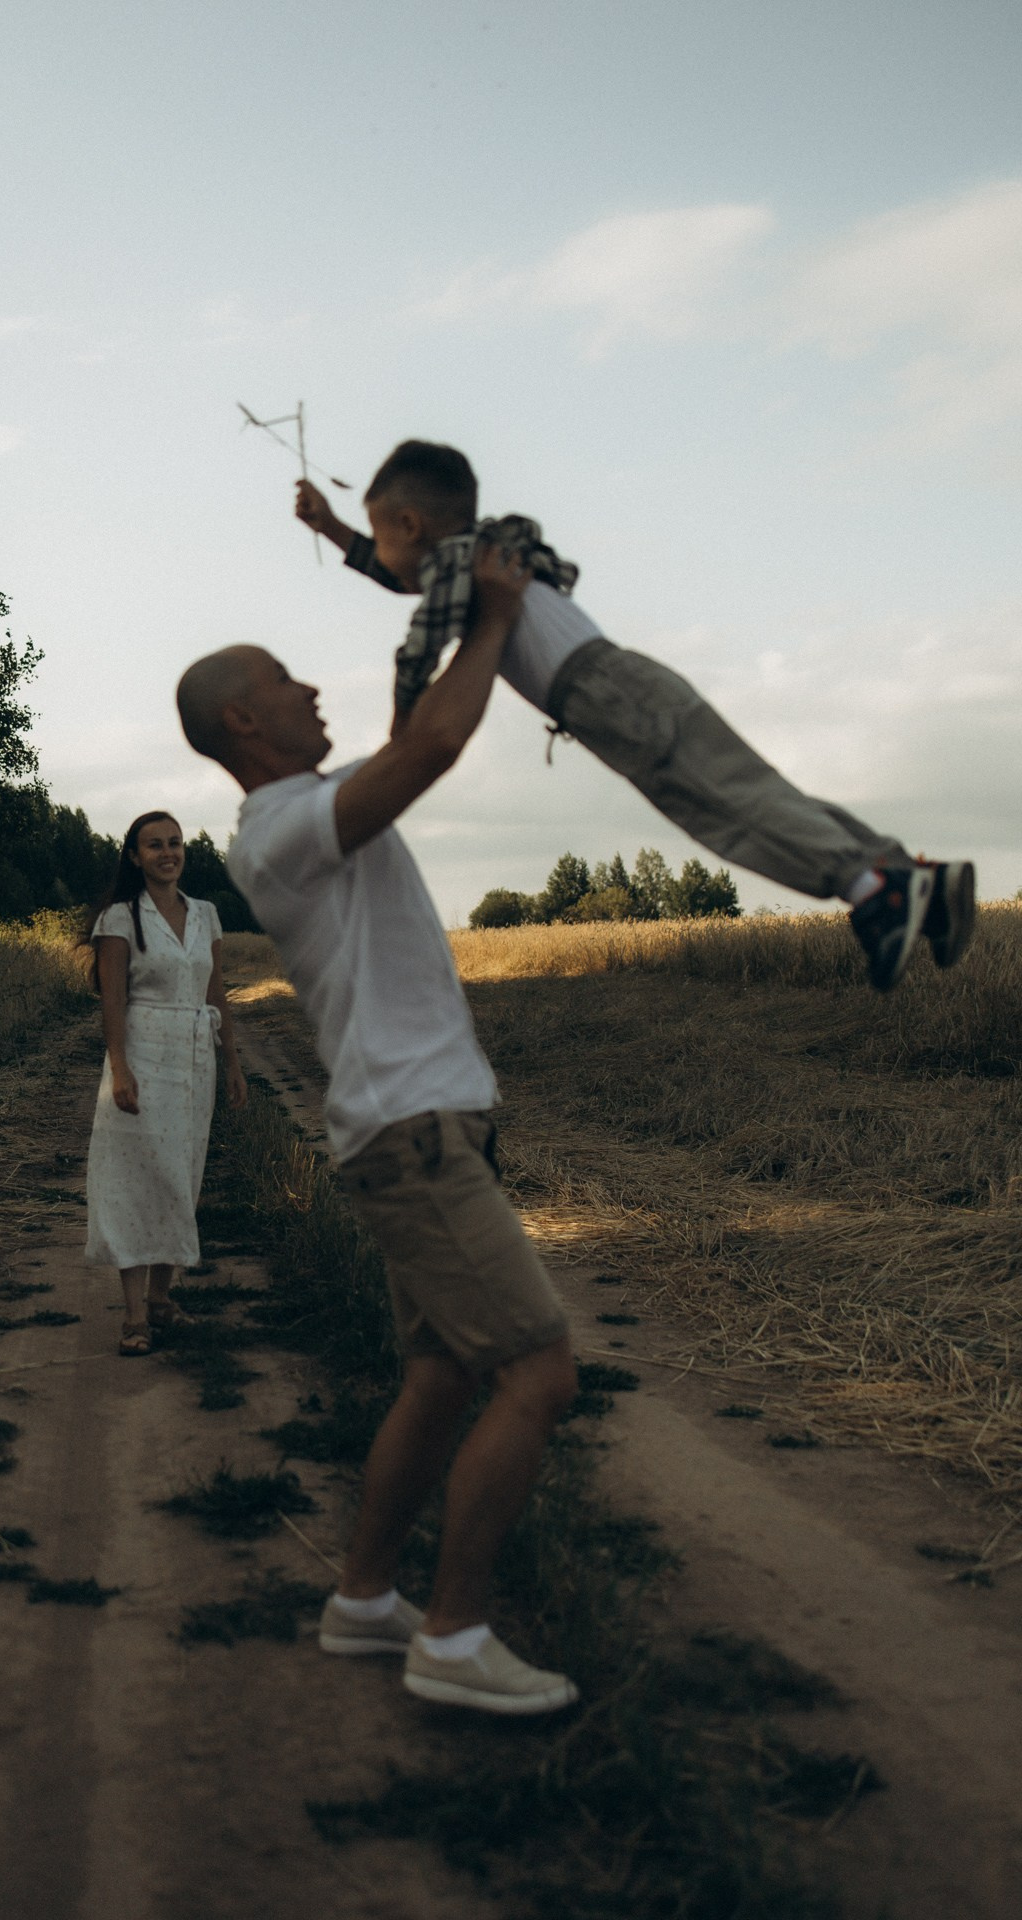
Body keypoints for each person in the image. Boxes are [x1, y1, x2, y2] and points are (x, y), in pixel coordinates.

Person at [176, 547, 581, 1717]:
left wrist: (444, 600)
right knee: (539, 1373)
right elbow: (433, 747)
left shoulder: (310, 812)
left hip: (412, 1124)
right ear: (246, 719)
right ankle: (450, 1639)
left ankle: (363, 1600)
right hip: (412, 1136)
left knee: (442, 1376)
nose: (315, 691)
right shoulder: (283, 829)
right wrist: (500, 616)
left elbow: (411, 726)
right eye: (290, 681)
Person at [294, 441, 976, 993]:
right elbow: (401, 576)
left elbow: (416, 646)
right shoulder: (490, 551)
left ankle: (876, 891)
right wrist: (332, 528)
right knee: (760, 792)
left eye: (382, 538)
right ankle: (915, 879)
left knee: (728, 810)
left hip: (602, 695)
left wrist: (399, 734)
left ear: (411, 525)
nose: (386, 562)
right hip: (628, 679)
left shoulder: (458, 564)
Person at [84, 810, 246, 1357]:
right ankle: (133, 1318)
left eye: (175, 843)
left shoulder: (206, 914)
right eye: (154, 845)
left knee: (179, 1176)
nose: (167, 852)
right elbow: (113, 1002)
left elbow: (215, 992)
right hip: (142, 1057)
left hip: (194, 1060)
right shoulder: (118, 919)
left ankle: (161, 1299)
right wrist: (120, 1067)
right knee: (132, 1178)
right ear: (134, 856)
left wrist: (233, 1063)